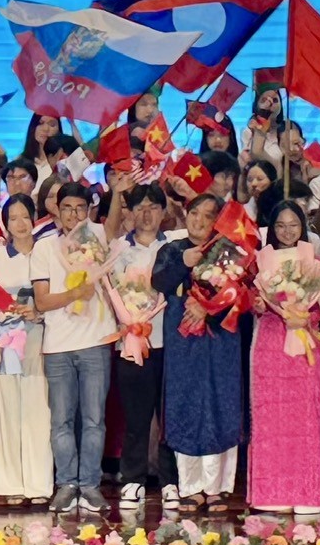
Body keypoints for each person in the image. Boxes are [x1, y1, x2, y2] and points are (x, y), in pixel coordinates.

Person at [30, 182, 115, 513]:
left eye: (80, 208)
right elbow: (41, 301)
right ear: (57, 210)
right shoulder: (44, 247)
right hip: (58, 346)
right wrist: (75, 295)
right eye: (67, 208)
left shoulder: (100, 239)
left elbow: (115, 221)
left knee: (94, 419)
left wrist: (119, 191)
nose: (73, 214)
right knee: (61, 421)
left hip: (95, 341)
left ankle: (90, 485)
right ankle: (66, 484)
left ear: (89, 210)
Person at [157, 193, 246, 506]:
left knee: (221, 404)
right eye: (195, 213)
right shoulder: (173, 249)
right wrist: (184, 263)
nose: (200, 220)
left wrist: (209, 309)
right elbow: (160, 282)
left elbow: (240, 297)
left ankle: (217, 487)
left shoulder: (228, 251)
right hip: (183, 340)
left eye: (209, 215)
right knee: (186, 404)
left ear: (218, 222)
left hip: (221, 340)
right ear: (186, 214)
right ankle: (190, 486)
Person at [247, 201, 320, 514]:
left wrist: (306, 316)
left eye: (293, 224)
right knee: (273, 418)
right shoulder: (262, 263)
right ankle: (273, 493)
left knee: (306, 417)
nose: (287, 231)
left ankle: (307, 492)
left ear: (303, 226)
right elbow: (253, 301)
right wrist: (258, 304)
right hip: (271, 342)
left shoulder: (315, 262)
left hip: (305, 341)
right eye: (280, 225)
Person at [0, 196, 54, 504]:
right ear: (5, 223)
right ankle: (11, 484)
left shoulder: (46, 252)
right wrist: (5, 318)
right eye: (14, 218)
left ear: (34, 218)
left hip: (37, 342)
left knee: (38, 413)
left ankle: (38, 485)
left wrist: (37, 313)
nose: (20, 224)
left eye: (26, 217)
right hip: (4, 344)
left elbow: (54, 299)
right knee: (7, 413)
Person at [109, 185, 175, 507]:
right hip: (131, 344)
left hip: (169, 344)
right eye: (140, 208)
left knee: (168, 417)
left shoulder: (174, 246)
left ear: (163, 212)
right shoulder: (118, 250)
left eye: (153, 207)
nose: (146, 214)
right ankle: (132, 478)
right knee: (136, 416)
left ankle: (170, 480)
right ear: (130, 213)